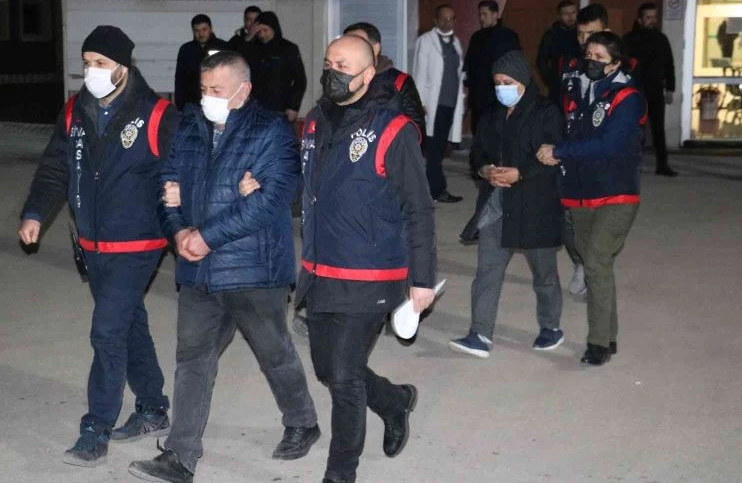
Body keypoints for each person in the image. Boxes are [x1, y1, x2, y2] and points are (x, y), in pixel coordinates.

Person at [127, 51, 320, 483]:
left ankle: (303, 421)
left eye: (217, 90)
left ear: (243, 90)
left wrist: (205, 236)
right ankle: (180, 456)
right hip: (198, 269)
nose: (207, 98)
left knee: (273, 352)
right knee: (192, 358)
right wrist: (179, 232)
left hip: (253, 268)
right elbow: (167, 186)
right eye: (203, 89)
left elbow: (270, 201)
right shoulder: (190, 126)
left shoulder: (270, 130)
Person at [18, 25, 179, 466]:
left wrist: (185, 223)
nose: (92, 70)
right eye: (87, 63)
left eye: (101, 63)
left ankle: (96, 429)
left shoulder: (158, 114)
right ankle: (153, 408)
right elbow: (56, 166)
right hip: (91, 240)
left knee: (106, 330)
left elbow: (182, 170)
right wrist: (35, 212)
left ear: (123, 67)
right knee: (129, 323)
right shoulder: (76, 110)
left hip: (138, 241)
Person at [299, 35, 436, 483]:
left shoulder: (393, 129)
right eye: (328, 63)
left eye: (343, 65)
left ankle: (340, 473)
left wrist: (422, 279)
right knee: (329, 367)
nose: (332, 72)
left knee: (343, 378)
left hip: (372, 273)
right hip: (320, 269)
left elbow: (419, 207)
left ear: (367, 74)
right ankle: (394, 401)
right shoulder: (315, 121)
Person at [537, 31, 646, 367]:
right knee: (597, 266)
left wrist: (559, 151)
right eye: (589, 55)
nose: (592, 62)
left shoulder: (627, 98)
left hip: (616, 192)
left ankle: (597, 343)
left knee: (596, 262)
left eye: (600, 57)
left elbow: (608, 145)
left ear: (615, 63)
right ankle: (609, 336)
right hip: (580, 194)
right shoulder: (577, 91)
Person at [450, 51, 564, 358]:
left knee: (544, 274)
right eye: (498, 83)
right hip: (498, 203)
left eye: (508, 82)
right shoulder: (491, 115)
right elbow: (478, 153)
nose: (502, 88)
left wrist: (520, 172)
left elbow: (553, 157)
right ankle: (480, 334)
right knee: (487, 271)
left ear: (524, 80)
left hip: (535, 205)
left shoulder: (546, 113)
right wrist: (485, 170)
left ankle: (551, 326)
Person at [557, 3, 613, 296]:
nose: (584, 40)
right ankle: (580, 261)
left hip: (603, 157)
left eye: (590, 34)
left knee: (598, 219)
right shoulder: (570, 66)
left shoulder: (620, 70)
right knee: (567, 217)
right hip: (571, 153)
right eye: (580, 34)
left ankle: (592, 267)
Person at [413, 4, 466, 203]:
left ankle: (433, 189)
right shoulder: (425, 41)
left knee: (440, 148)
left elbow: (457, 73)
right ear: (435, 20)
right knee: (434, 150)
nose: (447, 22)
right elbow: (419, 72)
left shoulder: (456, 42)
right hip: (432, 105)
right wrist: (421, 101)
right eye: (443, 18)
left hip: (450, 104)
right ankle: (436, 190)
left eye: (451, 18)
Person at [623, 2, 678, 177]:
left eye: (654, 17)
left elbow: (669, 64)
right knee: (635, 128)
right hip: (636, 89)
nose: (652, 20)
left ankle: (662, 164)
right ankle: (632, 165)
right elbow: (623, 65)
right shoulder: (629, 39)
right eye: (648, 17)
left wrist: (670, 88)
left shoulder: (661, 39)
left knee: (658, 128)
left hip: (655, 89)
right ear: (640, 19)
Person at [344, 21, 426, 136]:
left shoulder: (399, 81)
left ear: (375, 48)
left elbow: (415, 127)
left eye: (357, 44)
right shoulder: (340, 79)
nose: (350, 50)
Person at [464, 0, 521, 137]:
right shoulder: (476, 37)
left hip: (500, 95)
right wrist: (469, 84)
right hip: (479, 96)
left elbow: (516, 65)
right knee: (478, 131)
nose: (481, 18)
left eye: (485, 14)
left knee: (498, 132)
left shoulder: (508, 37)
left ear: (495, 14)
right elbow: (469, 64)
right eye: (480, 15)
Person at [238, 11, 306, 122]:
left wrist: (293, 107)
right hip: (253, 109)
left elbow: (300, 81)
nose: (261, 33)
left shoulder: (288, 49)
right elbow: (236, 63)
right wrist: (249, 37)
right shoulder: (251, 48)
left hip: (279, 108)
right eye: (259, 30)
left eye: (265, 30)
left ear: (273, 28)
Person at [174, 14, 231, 110]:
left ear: (211, 29)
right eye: (197, 31)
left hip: (217, 101)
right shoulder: (186, 50)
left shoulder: (223, 47)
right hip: (192, 102)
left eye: (204, 29)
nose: (201, 34)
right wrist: (180, 104)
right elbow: (180, 78)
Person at [536, 0, 580, 111]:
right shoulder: (551, 35)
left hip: (580, 83)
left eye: (573, 12)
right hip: (558, 87)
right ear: (559, 16)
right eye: (566, 14)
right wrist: (551, 81)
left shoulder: (581, 33)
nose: (570, 17)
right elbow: (541, 61)